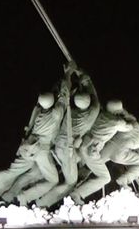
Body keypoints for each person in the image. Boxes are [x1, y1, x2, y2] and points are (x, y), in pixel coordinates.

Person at [0, 76, 69, 203]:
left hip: (28, 148)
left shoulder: (38, 111)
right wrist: (67, 78)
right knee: (53, 180)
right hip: (41, 150)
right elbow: (63, 98)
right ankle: (22, 198)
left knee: (12, 172)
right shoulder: (56, 114)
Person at [34, 69, 100, 207]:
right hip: (66, 149)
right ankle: (42, 203)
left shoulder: (69, 112)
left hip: (59, 146)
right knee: (70, 181)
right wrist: (85, 80)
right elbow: (95, 99)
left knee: (75, 166)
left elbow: (65, 97)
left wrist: (71, 79)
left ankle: (46, 200)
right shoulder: (91, 115)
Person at [68, 99, 134, 203]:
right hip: (91, 150)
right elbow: (130, 127)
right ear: (117, 111)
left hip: (83, 145)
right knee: (105, 177)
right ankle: (76, 194)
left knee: (85, 170)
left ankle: (74, 186)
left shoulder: (102, 114)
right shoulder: (117, 122)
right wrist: (124, 113)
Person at [104, 118, 139, 191]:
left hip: (106, 147)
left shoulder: (131, 122)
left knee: (91, 167)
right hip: (118, 155)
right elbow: (137, 164)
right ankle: (123, 180)